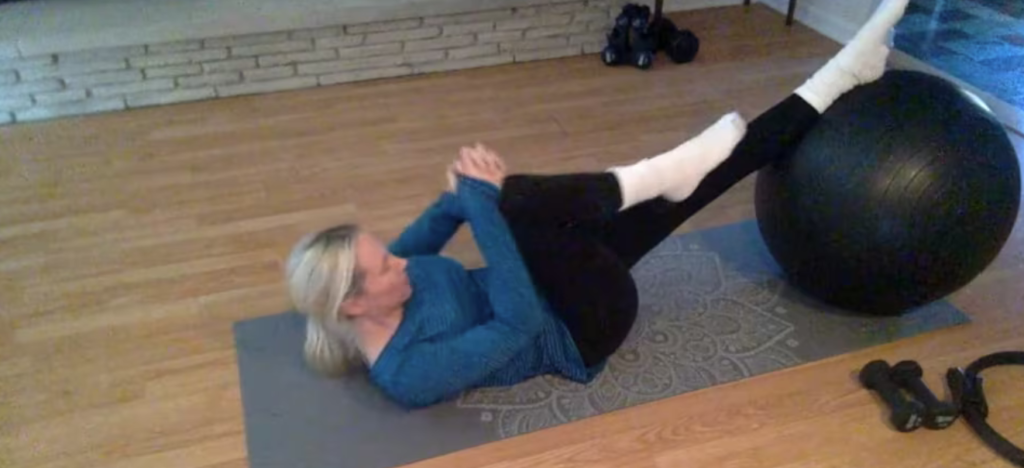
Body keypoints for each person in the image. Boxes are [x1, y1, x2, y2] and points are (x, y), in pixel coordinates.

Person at [285, 0, 910, 409]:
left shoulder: (371, 292)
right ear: (354, 305)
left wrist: (462, 190)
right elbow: (517, 325)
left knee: (716, 172)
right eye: (386, 268)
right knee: (511, 206)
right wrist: (485, 204)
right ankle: (659, 174)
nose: (399, 260)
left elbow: (451, 214)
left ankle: (841, 74)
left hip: (552, 276)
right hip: (578, 326)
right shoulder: (406, 373)